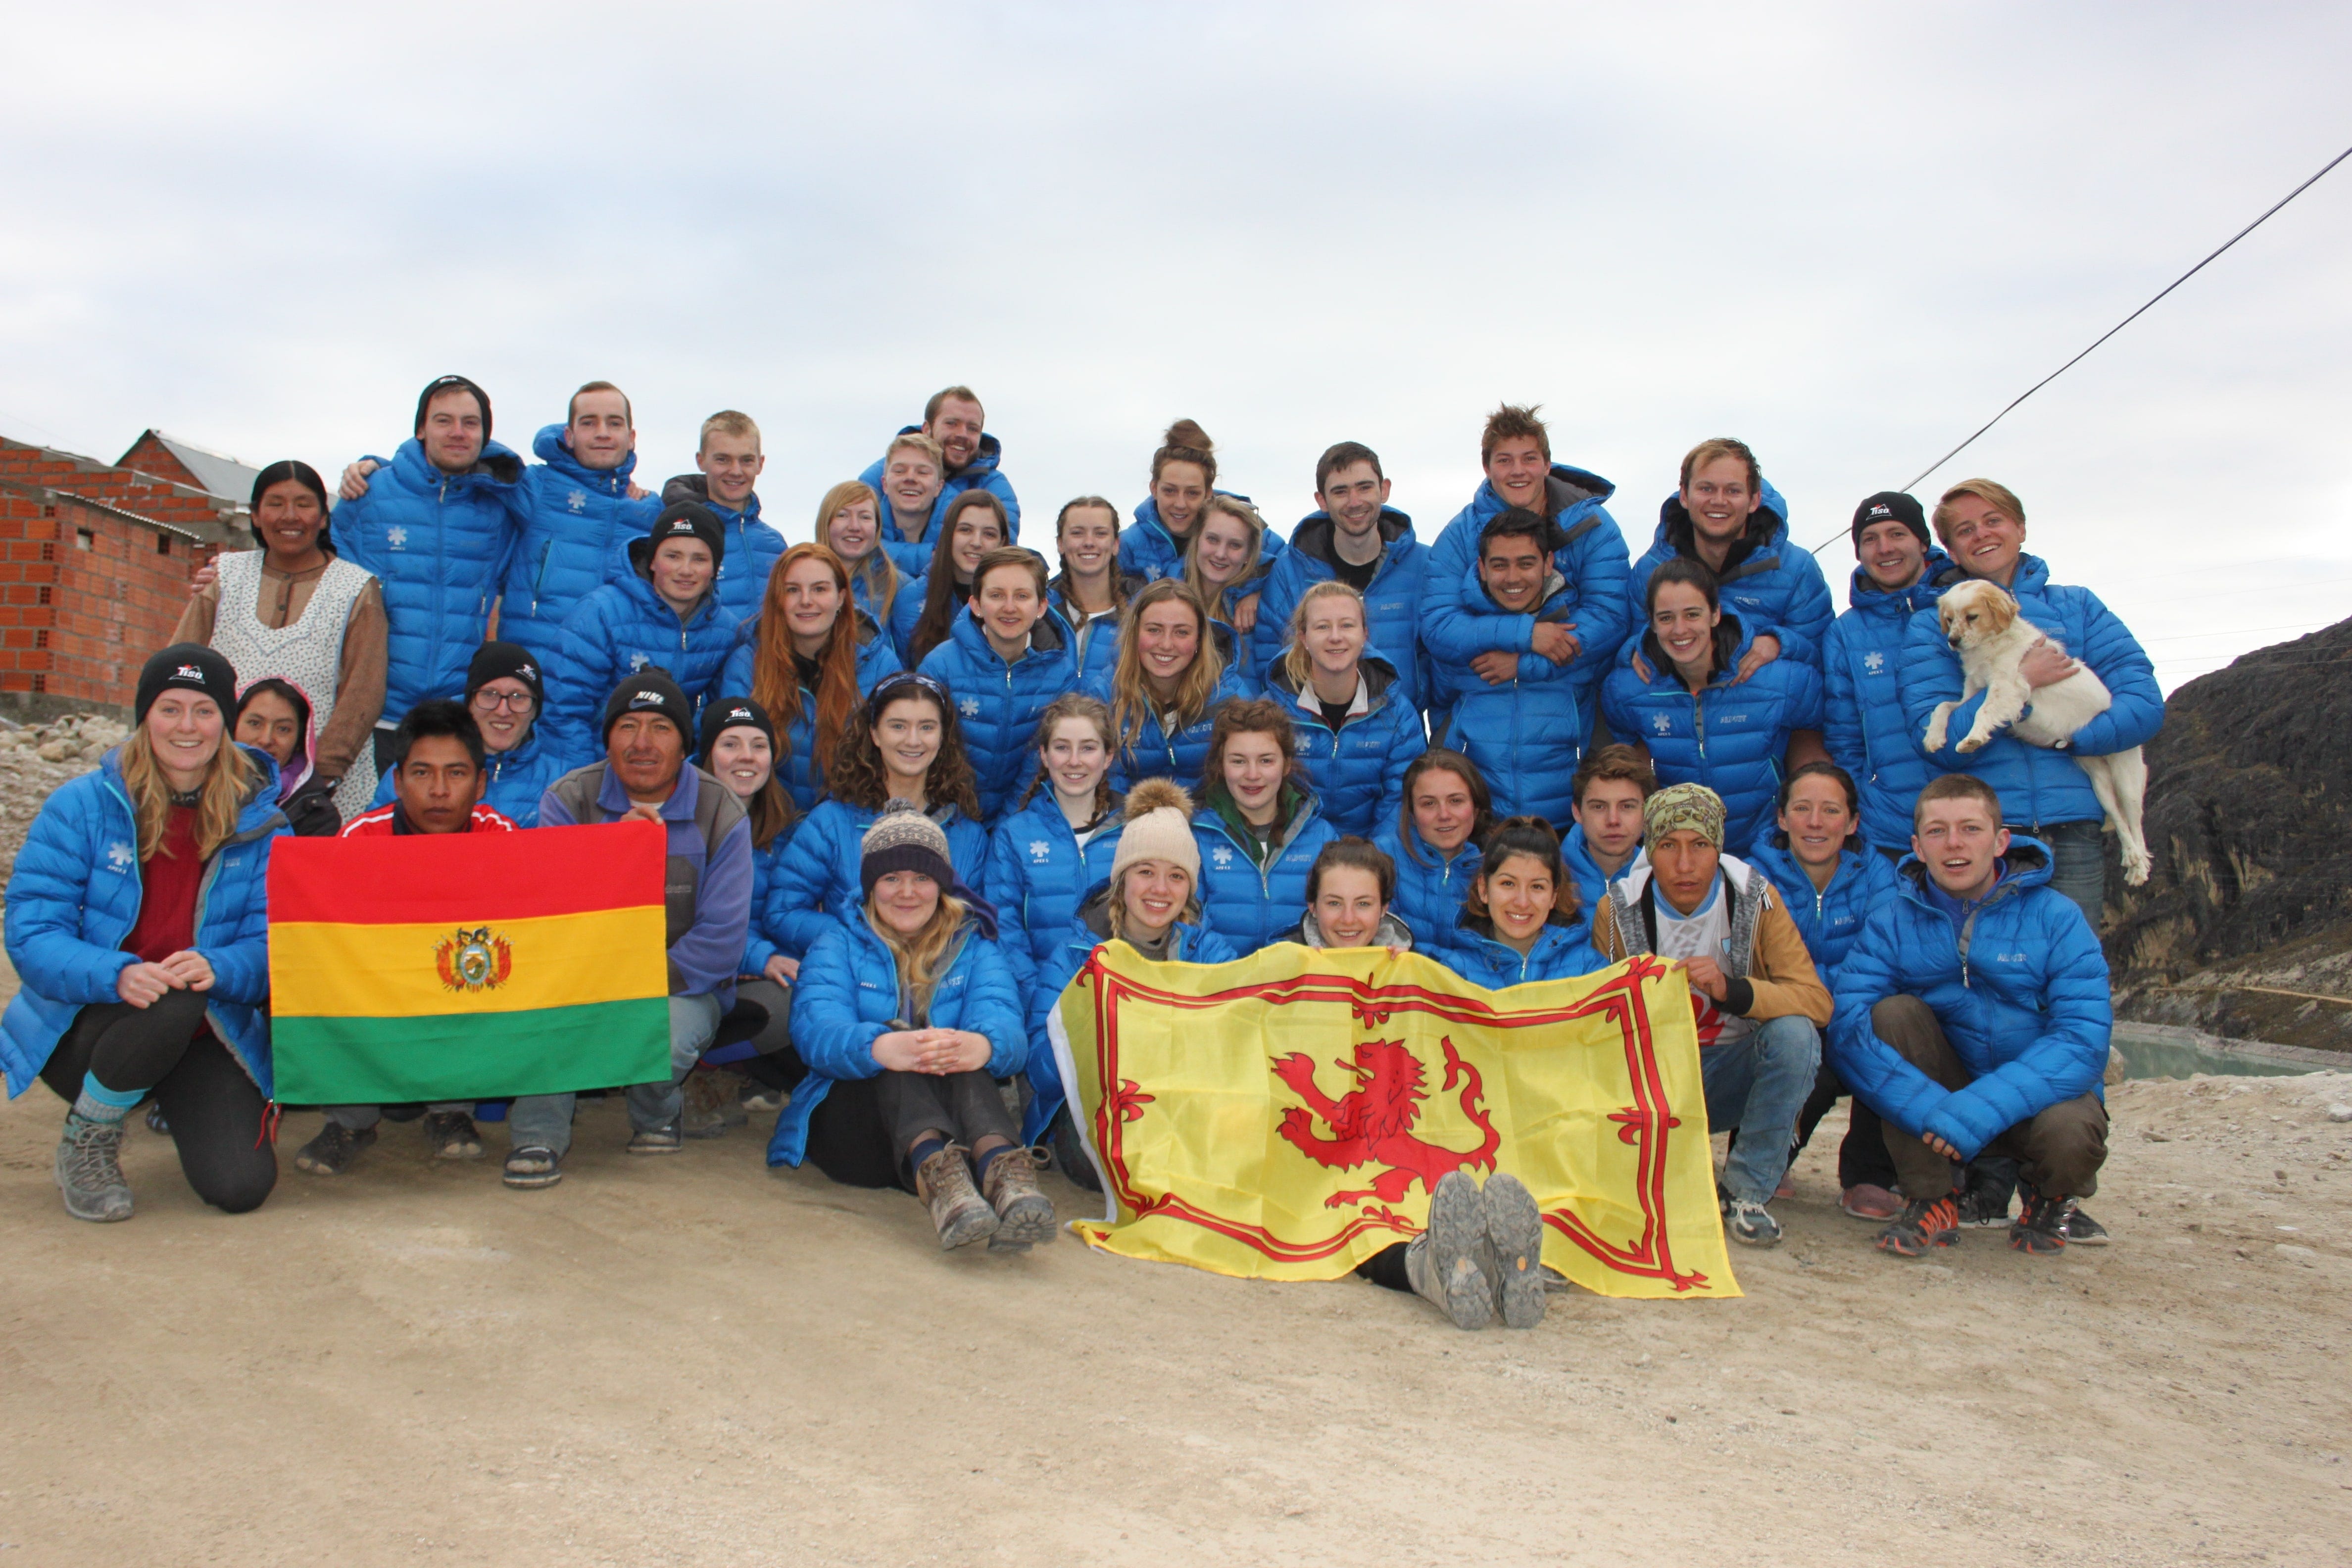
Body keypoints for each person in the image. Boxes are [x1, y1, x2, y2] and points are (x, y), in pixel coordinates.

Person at [2, 645, 283, 1222]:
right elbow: (31, 931)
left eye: (204, 711)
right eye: (169, 708)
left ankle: (148, 1092)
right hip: (87, 1023)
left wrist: (223, 967)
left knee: (240, 1186)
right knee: (171, 994)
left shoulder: (261, 821)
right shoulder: (81, 806)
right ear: (143, 716)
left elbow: (277, 943)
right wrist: (117, 972)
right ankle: (89, 1136)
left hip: (203, 1027)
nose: (187, 727)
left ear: (225, 723)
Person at [1828, 774, 2113, 1258]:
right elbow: (1849, 1027)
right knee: (1892, 1015)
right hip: (1942, 1098)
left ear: (2002, 841)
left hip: (2036, 1101)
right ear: (1917, 847)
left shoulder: (2057, 917)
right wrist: (1932, 1111)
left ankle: (2048, 1197)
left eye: (1971, 829)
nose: (1954, 843)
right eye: (1937, 831)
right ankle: (1932, 1198)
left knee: (2070, 1133)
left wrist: (1977, 1110)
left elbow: (2082, 1040)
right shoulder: (1892, 922)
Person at [504, 673, 754, 1189]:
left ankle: (658, 1113)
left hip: (682, 984)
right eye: (628, 727)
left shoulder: (720, 810)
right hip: (579, 976)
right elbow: (549, 918)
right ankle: (538, 1137)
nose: (643, 743)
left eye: (661, 728)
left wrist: (631, 987)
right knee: (549, 1018)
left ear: (685, 744)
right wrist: (610, 855)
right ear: (608, 739)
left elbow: (720, 943)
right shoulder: (568, 799)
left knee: (660, 1035)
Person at [767, 807, 1050, 1253]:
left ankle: (1004, 1173)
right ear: (870, 886)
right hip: (857, 1128)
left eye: (921, 878)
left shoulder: (974, 946)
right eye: (891, 879)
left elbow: (1008, 1031)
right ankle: (940, 1183)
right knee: (900, 1051)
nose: (907, 893)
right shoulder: (835, 943)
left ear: (941, 885)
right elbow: (815, 1033)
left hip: (955, 1128)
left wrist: (981, 1045)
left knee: (957, 1055)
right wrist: (881, 1046)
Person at [1899, 478, 2162, 931]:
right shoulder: (1933, 628)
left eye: (1993, 521)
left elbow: (2142, 702)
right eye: (1964, 530)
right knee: (1995, 968)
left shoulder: (2078, 606)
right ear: (1950, 550)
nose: (1981, 534)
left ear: (2020, 528)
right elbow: (1939, 743)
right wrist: (2021, 690)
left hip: (2074, 827)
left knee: (2072, 968)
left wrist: (2076, 741)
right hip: (1989, 837)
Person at [1590, 784, 1833, 1247]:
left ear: (1718, 848)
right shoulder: (1618, 910)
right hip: (1653, 1084)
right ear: (1649, 850)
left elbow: (1816, 1001)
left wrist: (1733, 992)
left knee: (1796, 1037)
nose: (1685, 865)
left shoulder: (1755, 899)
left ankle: (1746, 1192)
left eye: (1700, 845)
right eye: (1668, 847)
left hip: (1729, 1072)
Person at [295, 701, 522, 1176]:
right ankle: (351, 1121)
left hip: (462, 998)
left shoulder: (504, 842)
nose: (439, 791)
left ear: (481, 784)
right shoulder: (359, 844)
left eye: (456, 774)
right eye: (422, 773)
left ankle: (451, 1111)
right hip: (381, 998)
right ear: (397, 782)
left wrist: (628, 849)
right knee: (327, 972)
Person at [1019, 779, 1236, 1168]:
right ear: (1122, 879)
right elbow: (1041, 1072)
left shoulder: (1210, 954)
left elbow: (1237, 1043)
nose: (1160, 889)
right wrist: (1090, 1025)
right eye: (1146, 871)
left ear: (1190, 888)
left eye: (1176, 876)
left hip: (1179, 1106)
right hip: (1096, 1111)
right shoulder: (1074, 956)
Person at [178, 460, 386, 824]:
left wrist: (321, 776)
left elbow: (364, 690)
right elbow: (179, 667)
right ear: (256, 515)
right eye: (275, 504)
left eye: (304, 504)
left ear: (323, 517)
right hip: (221, 776)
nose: (290, 516)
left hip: (320, 789)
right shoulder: (225, 577)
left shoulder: (356, 589)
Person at [1743, 762, 1904, 1219]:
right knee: (1797, 1042)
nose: (1815, 823)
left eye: (1830, 811)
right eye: (1803, 809)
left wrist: (1837, 1013)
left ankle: (1869, 1175)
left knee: (1888, 1029)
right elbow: (1755, 966)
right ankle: (1767, 1157)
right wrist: (1809, 1009)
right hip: (1787, 1018)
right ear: (1782, 817)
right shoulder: (1751, 878)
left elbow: (1885, 960)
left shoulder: (1879, 877)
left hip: (1855, 1015)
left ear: (1852, 822)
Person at [329, 375, 522, 753]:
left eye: (471, 423)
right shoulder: (368, 495)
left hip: (455, 719)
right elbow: (316, 568)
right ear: (421, 428)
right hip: (371, 716)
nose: (457, 433)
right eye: (443, 420)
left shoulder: (499, 508)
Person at [1420, 404, 1630, 746]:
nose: (1518, 471)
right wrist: (1527, 633)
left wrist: (1525, 664)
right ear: (1487, 468)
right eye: (1504, 460)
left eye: (1529, 458)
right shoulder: (1460, 535)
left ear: (1547, 464)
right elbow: (1439, 626)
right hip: (1479, 715)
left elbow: (1610, 618)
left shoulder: (1594, 527)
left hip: (1572, 712)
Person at [1603, 559, 1826, 852]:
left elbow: (1820, 727)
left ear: (1715, 614)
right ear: (1652, 623)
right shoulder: (1627, 689)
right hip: (1680, 859)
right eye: (1667, 618)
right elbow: (1629, 749)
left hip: (1764, 852)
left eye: (1693, 614)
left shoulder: (1776, 679)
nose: (1680, 630)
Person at [767, 672, 991, 960]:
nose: (913, 741)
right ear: (874, 733)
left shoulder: (966, 833)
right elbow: (783, 911)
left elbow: (977, 924)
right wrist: (860, 940)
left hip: (937, 991)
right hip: (852, 984)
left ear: (943, 736)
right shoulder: (832, 823)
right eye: (898, 726)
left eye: (927, 727)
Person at [682, 698, 801, 1138]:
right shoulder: (682, 821)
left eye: (758, 745)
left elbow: (788, 909)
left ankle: (745, 1069)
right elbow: (696, 919)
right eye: (731, 744)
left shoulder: (781, 825)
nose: (747, 757)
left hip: (752, 974)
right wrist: (760, 957)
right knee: (785, 1009)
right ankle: (697, 1066)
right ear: (707, 753)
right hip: (694, 976)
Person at [1822, 491, 1964, 860]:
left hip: (1974, 822)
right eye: (1871, 539)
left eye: (1897, 534)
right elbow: (1844, 739)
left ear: (1922, 541)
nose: (1884, 548)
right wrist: (1864, 803)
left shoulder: (1968, 606)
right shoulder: (1845, 634)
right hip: (1891, 830)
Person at [1429, 507, 1591, 822]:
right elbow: (1441, 714)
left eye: (1526, 563)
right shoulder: (1460, 643)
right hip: (1478, 827)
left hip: (1566, 824)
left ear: (1548, 564)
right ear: (1482, 569)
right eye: (1500, 565)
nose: (1513, 578)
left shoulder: (1574, 633)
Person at [547, 502, 741, 765]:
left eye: (700, 559)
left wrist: (691, 776)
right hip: (600, 765)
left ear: (715, 568)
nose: (686, 570)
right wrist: (588, 784)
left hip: (670, 771)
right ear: (653, 560)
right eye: (673, 556)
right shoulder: (600, 613)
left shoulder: (724, 630)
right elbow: (564, 709)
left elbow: (724, 716)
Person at [721, 541, 903, 812]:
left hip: (850, 822)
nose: (806, 600)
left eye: (820, 589)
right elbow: (727, 757)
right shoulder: (746, 664)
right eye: (793, 590)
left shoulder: (879, 663)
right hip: (767, 824)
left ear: (841, 598)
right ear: (778, 600)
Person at [1627, 437, 1833, 675]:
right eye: (1706, 489)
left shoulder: (1796, 569)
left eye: (1733, 491)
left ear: (1754, 500)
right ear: (1684, 495)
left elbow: (1825, 659)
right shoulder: (1650, 570)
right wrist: (1638, 649)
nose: (1718, 501)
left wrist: (1779, 643)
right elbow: (1626, 649)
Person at [494, 381, 661, 671]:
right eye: (589, 423)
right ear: (569, 436)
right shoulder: (536, 487)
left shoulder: (649, 511)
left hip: (610, 682)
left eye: (614, 423)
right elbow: (469, 462)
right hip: (534, 674)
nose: (603, 433)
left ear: (631, 437)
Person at [1253, 441, 1430, 713]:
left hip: (1399, 730)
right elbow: (1267, 657)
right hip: (1308, 734)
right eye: (1340, 492)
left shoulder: (1424, 565)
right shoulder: (1289, 572)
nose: (1355, 502)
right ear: (1322, 500)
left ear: (1385, 490)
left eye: (1364, 487)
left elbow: (1441, 659)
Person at [917, 547, 1078, 822]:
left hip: (1025, 813)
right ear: (976, 605)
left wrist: (1010, 821)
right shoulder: (940, 665)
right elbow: (926, 753)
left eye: (1022, 596)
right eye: (996, 595)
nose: (1009, 607)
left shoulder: (1060, 672)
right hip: (947, 811)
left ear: (1041, 607)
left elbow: (1042, 762)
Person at [982, 694, 1126, 992]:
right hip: (1041, 1004)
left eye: (1088, 748)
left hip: (1123, 1003)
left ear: (1108, 756)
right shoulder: (1014, 836)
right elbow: (1005, 934)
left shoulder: (1135, 830)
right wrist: (1043, 1001)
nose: (1075, 761)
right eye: (1062, 748)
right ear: (1045, 756)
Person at [1265, 582, 1421, 837]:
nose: (1335, 636)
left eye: (1347, 625)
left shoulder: (1397, 716)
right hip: (1292, 851)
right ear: (1303, 637)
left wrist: (1370, 861)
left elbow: (1399, 804)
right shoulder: (1271, 712)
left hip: (1369, 855)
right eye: (1323, 626)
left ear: (1365, 635)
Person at [1190, 698, 1338, 953]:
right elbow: (1189, 925)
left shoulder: (1321, 837)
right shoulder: (1197, 836)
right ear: (1221, 766)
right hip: (1222, 982)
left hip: (1296, 983)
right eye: (1238, 761)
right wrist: (1243, 977)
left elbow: (1337, 921)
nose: (1252, 774)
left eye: (1266, 761)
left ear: (1286, 765)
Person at [1080, 578, 1244, 793]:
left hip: (1207, 818)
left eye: (1182, 632)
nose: (1166, 645)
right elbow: (1104, 782)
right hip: (1128, 818)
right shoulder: (1103, 694)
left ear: (1199, 639)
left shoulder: (1228, 694)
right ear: (1135, 633)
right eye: (1154, 630)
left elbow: (1241, 777)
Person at [856, 386, 1022, 571]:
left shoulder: (993, 486)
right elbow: (856, 542)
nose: (962, 435)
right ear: (927, 429)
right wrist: (934, 556)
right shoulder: (883, 474)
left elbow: (1000, 551)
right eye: (952, 423)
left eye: (973, 429)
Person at [1119, 419, 1282, 599]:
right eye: (1170, 491)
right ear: (1154, 489)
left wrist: (1257, 591)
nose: (1180, 504)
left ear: (1208, 494)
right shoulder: (1129, 544)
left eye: (1192, 493)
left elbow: (1288, 569)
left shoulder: (1244, 528)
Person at [1443, 816, 1606, 988]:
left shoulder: (1588, 970)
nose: (1522, 902)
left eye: (1537, 887)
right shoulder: (1456, 973)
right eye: (1508, 884)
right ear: (1484, 889)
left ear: (1553, 896)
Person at [659, 410, 787, 624]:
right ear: (701, 461)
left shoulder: (775, 544)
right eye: (723, 460)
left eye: (746, 460)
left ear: (760, 464)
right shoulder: (676, 532)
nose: (736, 471)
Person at [1374, 748, 1492, 961]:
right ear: (1411, 812)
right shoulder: (1381, 858)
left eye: (1456, 801)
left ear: (1475, 807)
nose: (1444, 815)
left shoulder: (1496, 866)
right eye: (1429, 803)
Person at [896, 490, 1010, 665]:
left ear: (1002, 542)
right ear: (948, 534)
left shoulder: (1016, 603)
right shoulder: (910, 599)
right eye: (966, 530)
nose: (976, 542)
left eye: (989, 534)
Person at [1183, 495, 1274, 687]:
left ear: (1249, 555)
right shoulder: (1164, 590)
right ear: (1197, 538)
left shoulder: (1262, 608)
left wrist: (1259, 594)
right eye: (1212, 540)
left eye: (1235, 545)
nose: (1221, 554)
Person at [1045, 496, 1137, 680]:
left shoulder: (1140, 613)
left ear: (1116, 545)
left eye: (1101, 534)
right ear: (1060, 544)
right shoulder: (1040, 612)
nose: (1089, 542)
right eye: (1077, 533)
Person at [233, 679, 341, 837]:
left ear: (299, 741)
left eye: (283, 729)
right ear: (232, 726)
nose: (266, 739)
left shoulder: (318, 816)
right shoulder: (200, 788)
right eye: (255, 723)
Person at [1561, 744, 1656, 913]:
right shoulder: (1550, 877)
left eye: (1627, 806)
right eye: (1599, 807)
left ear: (1646, 813)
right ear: (1577, 812)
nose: (1613, 820)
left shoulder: (1661, 880)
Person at [1285, 836, 1415, 952]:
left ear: (1383, 909)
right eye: (1334, 903)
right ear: (1313, 907)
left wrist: (1405, 974)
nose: (1348, 920)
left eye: (1363, 904)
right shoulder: (1283, 964)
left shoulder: (1409, 968)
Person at [814, 480, 910, 633]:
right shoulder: (800, 582)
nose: (854, 527)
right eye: (843, 515)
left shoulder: (901, 587)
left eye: (865, 517)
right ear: (825, 523)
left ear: (877, 527)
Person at [869, 432, 947, 579]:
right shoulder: (856, 537)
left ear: (939, 487)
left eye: (923, 472)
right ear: (884, 484)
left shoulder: (959, 540)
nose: (910, 478)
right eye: (900, 471)